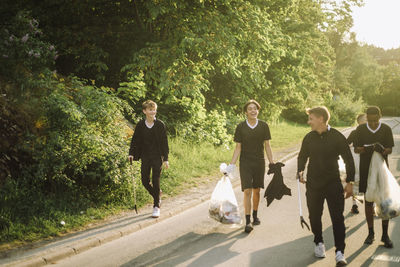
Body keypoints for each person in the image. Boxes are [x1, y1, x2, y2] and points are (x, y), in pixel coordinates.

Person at [297, 106, 354, 266]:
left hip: (333, 183)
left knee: (337, 218)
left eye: (311, 119)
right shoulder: (308, 137)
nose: (309, 122)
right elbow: (302, 156)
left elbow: (349, 159)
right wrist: (300, 170)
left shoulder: (337, 137)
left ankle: (340, 252)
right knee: (314, 216)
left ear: (321, 119)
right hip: (314, 184)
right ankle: (319, 243)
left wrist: (350, 182)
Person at [229, 100, 274, 233]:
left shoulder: (264, 126)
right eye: (250, 109)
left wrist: (272, 162)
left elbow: (267, 145)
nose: (253, 111)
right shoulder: (241, 127)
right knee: (247, 190)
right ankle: (248, 221)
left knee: (256, 190)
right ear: (246, 112)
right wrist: (231, 165)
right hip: (245, 163)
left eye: (255, 108)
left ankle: (255, 215)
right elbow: (238, 148)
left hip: (259, 162)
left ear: (258, 111)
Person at [353, 106, 394, 248]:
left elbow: (390, 149)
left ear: (380, 117)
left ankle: (385, 235)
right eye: (370, 121)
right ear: (366, 118)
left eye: (375, 121)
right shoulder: (361, 130)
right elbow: (356, 149)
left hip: (383, 170)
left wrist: (382, 149)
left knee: (384, 202)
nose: (372, 124)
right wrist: (368, 148)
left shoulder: (386, 129)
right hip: (366, 170)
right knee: (368, 200)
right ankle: (371, 233)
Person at [128, 100, 169, 218]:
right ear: (144, 111)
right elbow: (135, 140)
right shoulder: (140, 125)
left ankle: (156, 206)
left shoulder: (160, 125)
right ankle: (157, 195)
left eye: (154, 109)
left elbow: (164, 143)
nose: (153, 112)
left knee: (156, 180)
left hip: (157, 157)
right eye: (150, 110)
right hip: (145, 156)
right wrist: (131, 153)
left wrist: (165, 158)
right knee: (144, 181)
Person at [346, 113, 367, 214]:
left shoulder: (370, 132)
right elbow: (346, 144)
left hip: (367, 159)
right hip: (358, 160)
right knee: (357, 182)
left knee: (368, 182)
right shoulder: (355, 132)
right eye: (366, 119)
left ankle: (371, 206)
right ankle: (355, 205)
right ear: (360, 122)